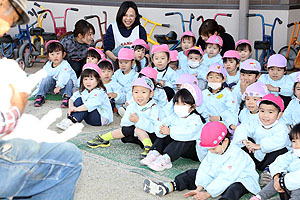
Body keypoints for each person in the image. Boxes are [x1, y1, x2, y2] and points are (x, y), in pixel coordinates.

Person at [0, 1, 82, 199]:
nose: (6, 27)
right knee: (70, 157)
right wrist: (18, 102)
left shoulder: (65, 66)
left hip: (65, 86)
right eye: (8, 17)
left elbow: (63, 78)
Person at [143, 121, 260, 199]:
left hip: (241, 178)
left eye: (213, 148)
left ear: (225, 141)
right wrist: (199, 187)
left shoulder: (236, 155)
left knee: (234, 189)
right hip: (217, 175)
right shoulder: (215, 150)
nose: (211, 151)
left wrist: (207, 193)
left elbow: (226, 177)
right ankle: (168, 186)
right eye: (209, 149)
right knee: (191, 173)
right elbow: (205, 168)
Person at [86, 77, 158, 158]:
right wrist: (131, 121)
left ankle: (149, 148)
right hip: (137, 135)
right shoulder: (133, 105)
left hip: (152, 136)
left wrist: (138, 121)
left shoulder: (154, 107)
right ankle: (103, 139)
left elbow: (154, 128)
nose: (139, 95)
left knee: (138, 128)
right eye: (136, 92)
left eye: (144, 92)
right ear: (132, 93)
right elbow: (124, 123)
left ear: (151, 93)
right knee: (126, 130)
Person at [140, 83, 203, 171]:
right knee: (165, 132)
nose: (179, 107)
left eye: (184, 104)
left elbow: (188, 133)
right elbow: (162, 125)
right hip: (179, 149)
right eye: (177, 103)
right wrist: (161, 130)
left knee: (183, 138)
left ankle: (166, 159)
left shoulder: (196, 119)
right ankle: (154, 153)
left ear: (193, 107)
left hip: (192, 151)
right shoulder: (173, 116)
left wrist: (170, 131)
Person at [233, 94, 290, 187]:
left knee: (281, 150)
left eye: (270, 112)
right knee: (244, 142)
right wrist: (245, 142)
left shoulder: (281, 127)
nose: (265, 115)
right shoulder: (255, 122)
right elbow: (243, 128)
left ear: (279, 115)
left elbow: (281, 140)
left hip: (270, 159)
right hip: (255, 155)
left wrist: (259, 146)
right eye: (262, 111)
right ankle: (240, 166)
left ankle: (268, 171)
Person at [250, 123, 300, 200]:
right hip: (286, 184)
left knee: (297, 189)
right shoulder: (292, 154)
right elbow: (278, 163)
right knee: (275, 181)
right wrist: (277, 176)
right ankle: (259, 197)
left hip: (294, 185)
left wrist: (282, 180)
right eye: (294, 141)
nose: (296, 145)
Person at [56, 63, 113, 130]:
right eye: (85, 79)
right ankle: (70, 119)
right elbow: (72, 98)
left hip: (100, 119)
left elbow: (90, 105)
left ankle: (72, 120)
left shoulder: (99, 92)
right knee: (78, 99)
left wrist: (76, 109)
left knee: (83, 102)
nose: (88, 82)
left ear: (98, 80)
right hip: (89, 118)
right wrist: (71, 107)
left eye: (91, 79)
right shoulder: (84, 90)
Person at [34, 40, 77, 108]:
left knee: (69, 81)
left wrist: (59, 86)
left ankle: (67, 97)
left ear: (63, 54)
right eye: (52, 54)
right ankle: (40, 95)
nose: (55, 56)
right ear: (48, 56)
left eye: (58, 53)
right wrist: (40, 87)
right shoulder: (48, 65)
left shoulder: (65, 64)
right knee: (47, 77)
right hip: (54, 88)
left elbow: (64, 76)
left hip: (64, 88)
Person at [103, 1, 147, 65]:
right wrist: (119, 62)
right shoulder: (113, 28)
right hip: (117, 62)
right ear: (121, 15)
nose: (128, 19)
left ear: (136, 16)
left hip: (135, 64)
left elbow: (145, 52)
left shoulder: (140, 29)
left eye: (131, 16)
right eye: (125, 15)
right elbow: (107, 50)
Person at [200, 63, 238, 130]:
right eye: (211, 77)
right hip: (207, 123)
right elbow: (201, 108)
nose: (213, 80)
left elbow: (232, 110)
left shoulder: (227, 93)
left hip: (223, 123)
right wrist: (207, 117)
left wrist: (219, 117)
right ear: (207, 78)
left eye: (217, 77)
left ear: (223, 79)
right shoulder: (203, 93)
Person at [112, 48, 138, 116]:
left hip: (128, 98)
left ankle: (126, 110)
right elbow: (112, 83)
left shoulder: (135, 75)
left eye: (126, 62)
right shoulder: (117, 73)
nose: (123, 65)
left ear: (132, 62)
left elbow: (131, 90)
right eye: (121, 62)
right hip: (118, 96)